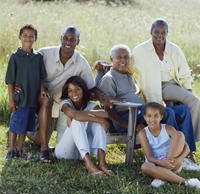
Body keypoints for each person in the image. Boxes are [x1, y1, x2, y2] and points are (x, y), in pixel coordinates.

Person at [14, 26, 119, 163]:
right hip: (43, 100)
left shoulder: (81, 62)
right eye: (65, 38)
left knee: (38, 139)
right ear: (61, 38)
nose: (68, 42)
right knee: (47, 101)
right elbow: (25, 66)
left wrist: (105, 97)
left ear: (78, 42)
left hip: (64, 105)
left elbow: (91, 88)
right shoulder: (44, 53)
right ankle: (44, 150)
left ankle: (29, 132)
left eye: (72, 40)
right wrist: (16, 83)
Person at [97, 44, 199, 170]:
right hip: (128, 118)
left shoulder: (129, 76)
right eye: (118, 57)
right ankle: (174, 158)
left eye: (126, 57)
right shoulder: (109, 79)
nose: (123, 60)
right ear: (111, 59)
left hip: (142, 114)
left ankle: (188, 155)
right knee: (168, 113)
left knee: (183, 110)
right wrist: (130, 126)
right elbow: (108, 111)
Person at [127, 18, 200, 157]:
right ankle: (186, 148)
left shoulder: (175, 49)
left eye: (163, 32)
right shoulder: (140, 50)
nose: (159, 35)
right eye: (156, 32)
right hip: (151, 86)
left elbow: (184, 73)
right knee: (182, 107)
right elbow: (128, 69)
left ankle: (189, 144)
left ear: (167, 33)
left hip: (171, 85)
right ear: (151, 32)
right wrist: (108, 66)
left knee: (194, 101)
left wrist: (188, 93)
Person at [54, 76, 115, 177]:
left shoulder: (90, 105)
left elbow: (105, 114)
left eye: (77, 89)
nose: (74, 93)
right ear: (67, 94)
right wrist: (100, 119)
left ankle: (102, 163)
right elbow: (73, 114)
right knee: (76, 120)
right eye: (70, 91)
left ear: (83, 89)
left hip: (83, 150)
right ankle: (89, 165)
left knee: (96, 122)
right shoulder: (65, 103)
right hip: (64, 151)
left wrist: (84, 114)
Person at [5, 23, 49, 161]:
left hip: (32, 99)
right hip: (20, 98)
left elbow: (41, 77)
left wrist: (42, 89)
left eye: (31, 36)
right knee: (15, 125)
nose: (28, 39)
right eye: (25, 36)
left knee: (24, 127)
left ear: (36, 38)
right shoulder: (15, 57)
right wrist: (11, 99)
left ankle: (20, 150)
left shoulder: (38, 57)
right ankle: (11, 151)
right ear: (20, 37)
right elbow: (10, 81)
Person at [138, 102, 200, 188]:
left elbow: (187, 148)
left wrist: (178, 160)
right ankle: (186, 182)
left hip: (172, 162)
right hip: (155, 163)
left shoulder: (168, 129)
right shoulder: (143, 133)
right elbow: (149, 157)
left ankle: (161, 176)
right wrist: (161, 163)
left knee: (179, 134)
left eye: (156, 115)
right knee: (145, 167)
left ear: (161, 117)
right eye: (149, 115)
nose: (152, 119)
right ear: (144, 117)